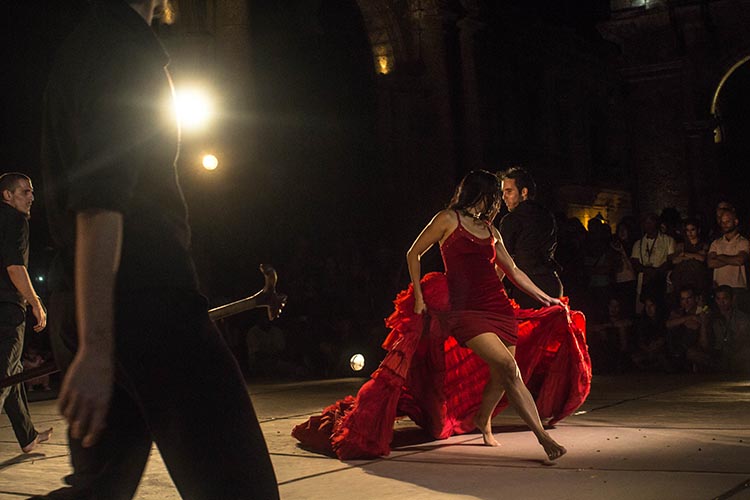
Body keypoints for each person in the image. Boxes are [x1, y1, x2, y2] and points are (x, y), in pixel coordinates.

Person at [39, 1, 279, 499]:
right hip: (148, 304)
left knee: (97, 490)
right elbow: (99, 205)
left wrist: (92, 340)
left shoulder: (90, 45)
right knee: (240, 487)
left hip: (96, 300)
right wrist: (97, 347)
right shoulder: (120, 52)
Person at [0, 172, 53, 453]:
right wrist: (35, 302)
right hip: (7, 308)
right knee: (4, 375)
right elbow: (15, 267)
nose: (31, 197)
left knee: (14, 372)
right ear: (7, 195)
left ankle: (28, 436)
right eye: (24, 192)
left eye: (32, 192)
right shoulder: (16, 220)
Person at [498, 167, 562, 308]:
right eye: (503, 192)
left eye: (509, 191)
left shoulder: (511, 219)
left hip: (528, 288)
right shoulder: (547, 215)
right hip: (552, 283)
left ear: (524, 192)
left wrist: (489, 289)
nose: (504, 197)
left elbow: (503, 260)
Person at [631, 213, 675, 314]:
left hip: (661, 281)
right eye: (646, 222)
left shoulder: (668, 240)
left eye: (651, 222)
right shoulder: (638, 243)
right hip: (644, 282)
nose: (648, 225)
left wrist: (656, 272)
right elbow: (634, 262)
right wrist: (647, 271)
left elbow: (670, 260)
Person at [708, 209, 749, 312]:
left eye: (727, 222)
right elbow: (711, 263)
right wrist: (732, 258)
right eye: (722, 222)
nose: (724, 224)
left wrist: (719, 256)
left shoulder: (743, 242)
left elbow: (740, 260)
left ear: (735, 222)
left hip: (737, 289)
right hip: (719, 288)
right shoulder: (716, 243)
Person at [710, 285, 750, 373]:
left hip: (736, 354)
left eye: (725, 298)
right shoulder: (712, 317)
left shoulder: (742, 318)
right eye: (718, 299)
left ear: (733, 299)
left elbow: (741, 342)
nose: (721, 302)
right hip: (718, 355)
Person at [669, 218, 710, 299]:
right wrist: (694, 255)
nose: (690, 233)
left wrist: (685, 254)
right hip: (682, 280)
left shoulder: (704, 245)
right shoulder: (681, 245)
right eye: (687, 230)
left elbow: (702, 258)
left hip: (698, 281)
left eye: (692, 230)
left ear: (698, 230)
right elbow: (674, 260)